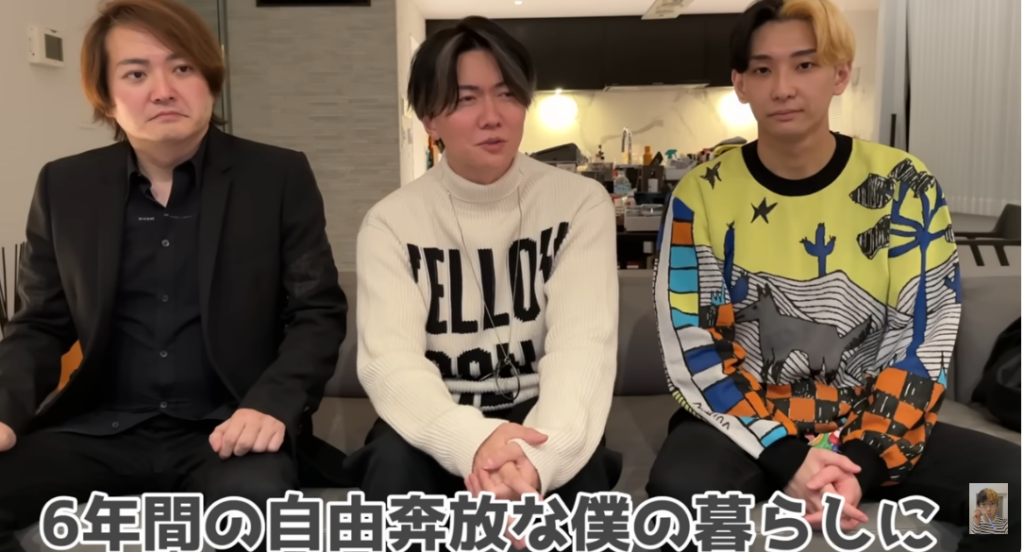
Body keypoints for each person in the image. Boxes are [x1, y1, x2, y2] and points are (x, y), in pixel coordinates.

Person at [646, 0, 1020, 550]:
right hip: (744, 430)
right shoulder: (699, 194)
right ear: (740, 84)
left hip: (872, 425)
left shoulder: (905, 184)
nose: (783, 88)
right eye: (762, 69)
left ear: (840, 74)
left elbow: (924, 337)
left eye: (805, 65)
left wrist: (862, 462)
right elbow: (693, 340)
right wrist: (786, 457)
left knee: (1007, 493)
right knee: (677, 499)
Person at [0, 0, 348, 549]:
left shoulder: (276, 176)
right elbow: (40, 323)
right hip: (102, 427)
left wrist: (271, 403)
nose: (163, 90)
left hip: (227, 427)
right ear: (106, 96)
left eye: (182, 67)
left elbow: (317, 312)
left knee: (255, 513)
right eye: (136, 74)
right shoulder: (64, 186)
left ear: (209, 79)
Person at [345, 14, 622, 536]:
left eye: (507, 94)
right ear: (429, 118)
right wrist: (474, 443)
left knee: (580, 490)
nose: (492, 116)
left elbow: (584, 347)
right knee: (393, 474)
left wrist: (534, 463)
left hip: (543, 416)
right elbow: (390, 363)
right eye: (465, 99)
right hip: (435, 417)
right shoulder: (391, 223)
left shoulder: (579, 204)